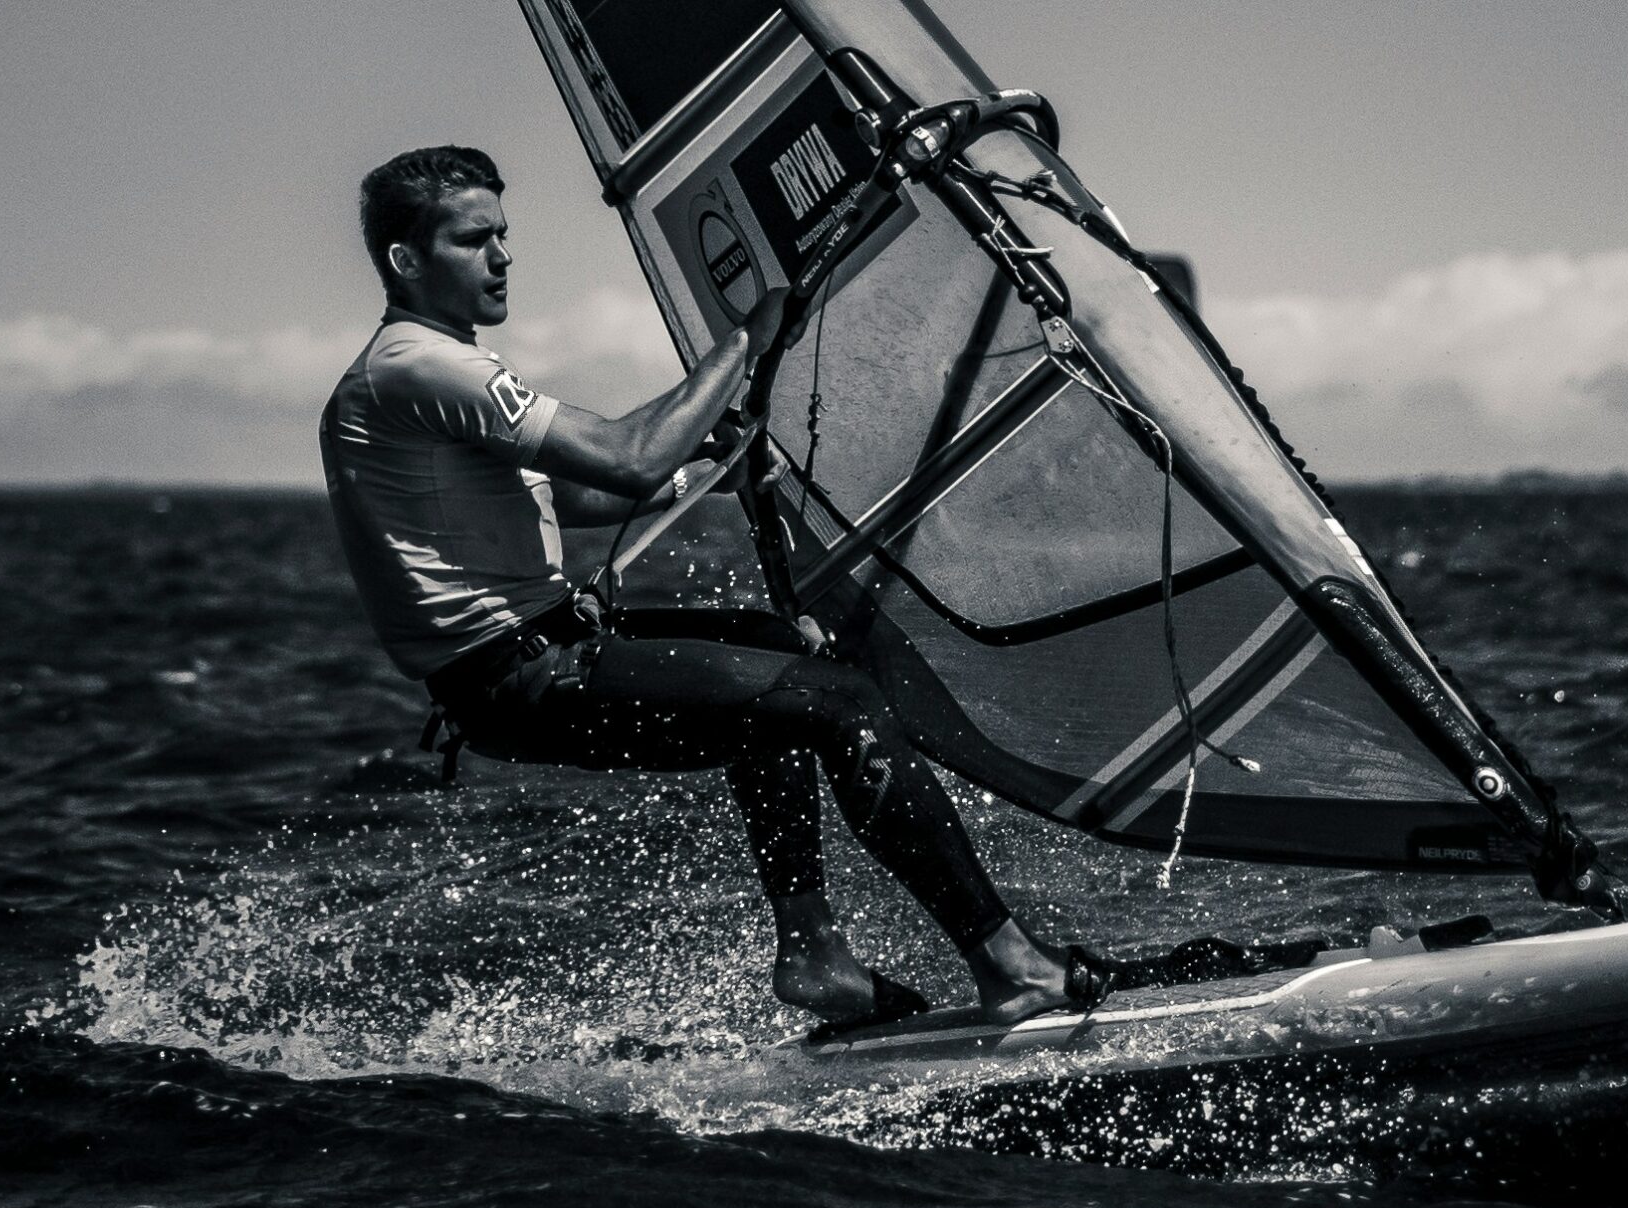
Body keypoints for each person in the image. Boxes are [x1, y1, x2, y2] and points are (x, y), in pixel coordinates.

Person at [320, 145, 1097, 1030]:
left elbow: (577, 492)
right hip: (520, 678)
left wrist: (711, 463)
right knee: (838, 703)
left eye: (504, 236)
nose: (502, 258)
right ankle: (1007, 962)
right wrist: (745, 338)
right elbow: (625, 458)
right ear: (406, 261)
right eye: (473, 240)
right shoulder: (417, 365)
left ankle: (815, 954)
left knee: (774, 650)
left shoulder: (427, 373)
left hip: (536, 659)